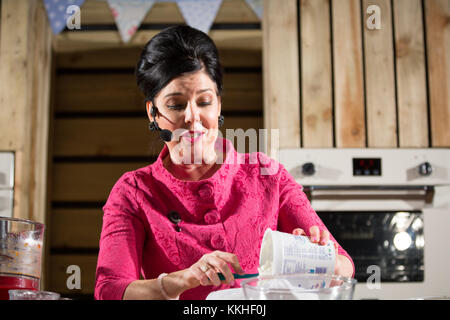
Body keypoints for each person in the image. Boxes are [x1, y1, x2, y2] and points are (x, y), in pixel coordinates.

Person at [94, 25, 354, 300]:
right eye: (176, 105)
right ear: (153, 113)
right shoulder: (133, 191)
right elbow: (109, 290)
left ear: (218, 104)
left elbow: (344, 266)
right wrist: (183, 279)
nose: (193, 118)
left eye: (204, 101)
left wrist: (311, 256)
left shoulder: (267, 174)